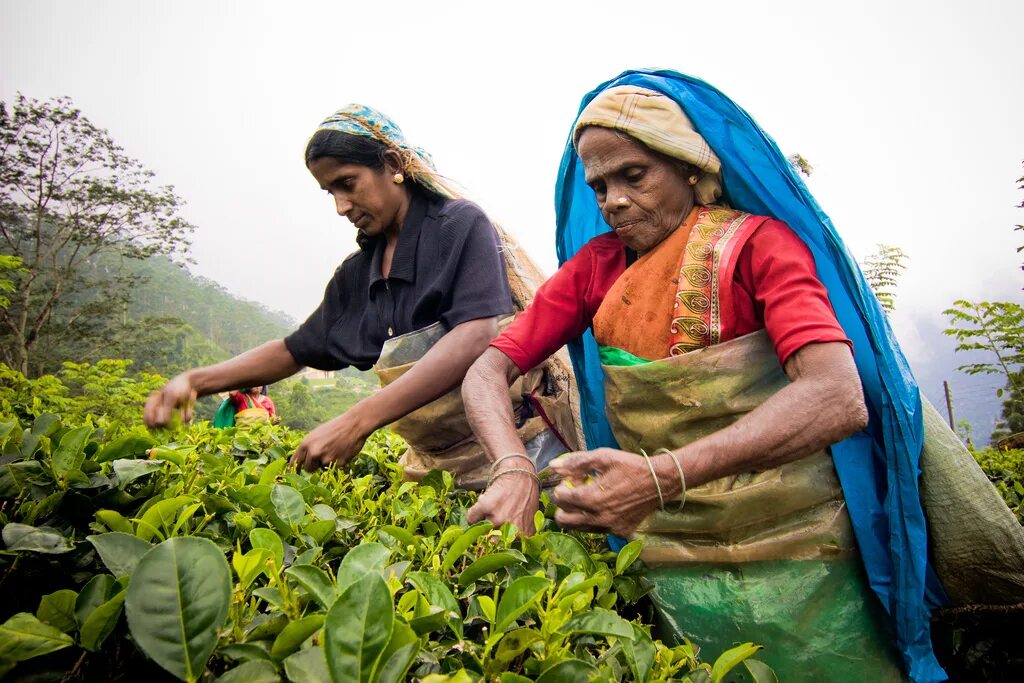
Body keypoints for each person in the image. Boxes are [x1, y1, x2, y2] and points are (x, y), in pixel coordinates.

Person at [461, 70, 1022, 681]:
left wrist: (662, 475)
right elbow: (487, 369)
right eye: (599, 185)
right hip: (672, 556)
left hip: (804, 552)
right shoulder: (596, 270)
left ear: (692, 170)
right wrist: (512, 466)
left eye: (634, 176)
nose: (613, 200)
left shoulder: (761, 249)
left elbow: (837, 398)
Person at [145, 104, 578, 485]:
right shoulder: (359, 273)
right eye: (329, 191)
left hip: (521, 449)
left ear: (392, 163)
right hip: (438, 469)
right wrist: (194, 381)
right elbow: (296, 349)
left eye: (347, 183)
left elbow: (475, 335)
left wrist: (357, 421)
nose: (340, 205)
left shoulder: (456, 225)